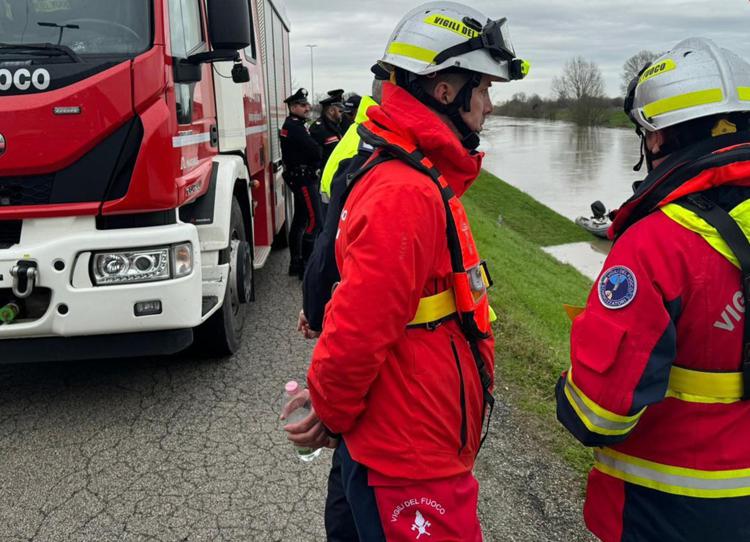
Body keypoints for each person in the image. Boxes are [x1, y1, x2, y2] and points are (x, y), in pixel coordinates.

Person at [284, 3, 528, 540]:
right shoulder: (406, 190)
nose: (488, 106)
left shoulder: (410, 169)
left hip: (402, 437)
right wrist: (328, 407)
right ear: (444, 91)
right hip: (410, 454)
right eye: (482, 89)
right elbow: (358, 327)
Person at [556, 37, 750, 541]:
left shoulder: (657, 244)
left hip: (665, 509)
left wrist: (567, 388)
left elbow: (595, 416)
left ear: (657, 139)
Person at [298, 64, 390, 339]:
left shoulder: (362, 134)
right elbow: (330, 244)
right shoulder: (366, 148)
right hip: (356, 312)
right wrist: (315, 311)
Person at [279, 88, 322, 278]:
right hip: (303, 179)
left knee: (300, 221)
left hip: (300, 177)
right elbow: (314, 150)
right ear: (293, 107)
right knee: (315, 221)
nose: (308, 107)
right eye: (303, 105)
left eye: (307, 104)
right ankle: (306, 266)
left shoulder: (296, 124)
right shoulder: (295, 127)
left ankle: (296, 263)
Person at [310, 91, 345, 171]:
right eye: (340, 111)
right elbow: (315, 155)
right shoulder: (319, 128)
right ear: (331, 111)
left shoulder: (335, 126)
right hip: (325, 173)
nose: (342, 114)